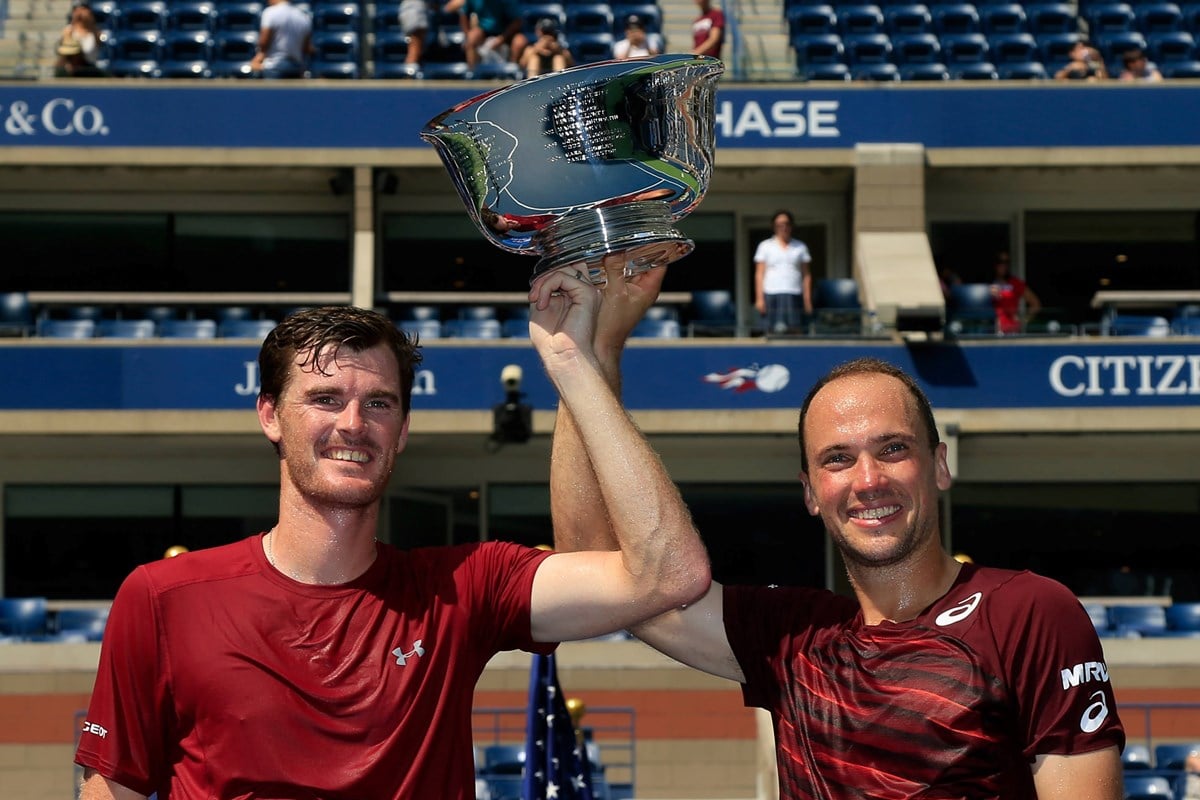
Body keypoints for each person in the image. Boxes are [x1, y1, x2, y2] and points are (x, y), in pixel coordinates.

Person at [74, 298, 710, 800]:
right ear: (270, 414)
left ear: (402, 430)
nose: (353, 423)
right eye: (324, 399)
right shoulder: (163, 597)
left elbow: (666, 575)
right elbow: (114, 785)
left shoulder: (465, 586)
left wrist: (576, 361)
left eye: (378, 403)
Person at [548, 271, 1126, 798]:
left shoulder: (1030, 612)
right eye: (838, 459)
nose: (868, 480)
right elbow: (595, 573)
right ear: (809, 492)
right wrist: (589, 356)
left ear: (940, 465)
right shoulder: (792, 639)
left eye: (893, 449)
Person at [754, 209, 813, 334]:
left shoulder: (801, 247)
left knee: (795, 329)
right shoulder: (765, 246)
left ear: (791, 226)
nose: (783, 227)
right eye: (779, 225)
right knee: (770, 330)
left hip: (794, 293)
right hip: (771, 293)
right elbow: (759, 274)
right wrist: (760, 299)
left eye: (786, 224)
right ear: (774, 227)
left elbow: (806, 275)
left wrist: (807, 300)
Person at [444, 0, 527, 70]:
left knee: (520, 42)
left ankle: (512, 73)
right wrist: (467, 34)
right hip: (484, 31)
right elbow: (464, 14)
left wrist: (502, 38)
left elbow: (517, 21)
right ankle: (473, 73)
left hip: (508, 33)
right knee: (471, 38)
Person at [250, 0, 313, 78]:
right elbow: (306, 48)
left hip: (274, 68)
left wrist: (259, 57)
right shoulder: (303, 16)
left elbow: (263, 42)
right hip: (295, 69)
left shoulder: (270, 12)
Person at [989, 249, 1041, 334]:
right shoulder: (988, 283)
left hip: (1011, 331)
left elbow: (1035, 304)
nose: (1003, 265)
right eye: (999, 261)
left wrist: (1023, 321)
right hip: (989, 331)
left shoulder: (1015, 283)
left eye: (1006, 262)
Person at [55, 3, 105, 78]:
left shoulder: (95, 32)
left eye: (83, 9)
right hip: (71, 71)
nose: (80, 13)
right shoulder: (68, 30)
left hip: (89, 70)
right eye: (76, 10)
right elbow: (64, 52)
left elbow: (100, 41)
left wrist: (90, 22)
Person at [398, 0, 433, 65]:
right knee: (414, 50)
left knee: (417, 50)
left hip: (412, 9)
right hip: (415, 10)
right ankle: (409, 74)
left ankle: (410, 72)